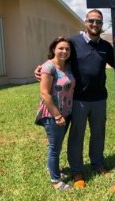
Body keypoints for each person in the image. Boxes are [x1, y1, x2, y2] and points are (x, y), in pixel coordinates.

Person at [35, 9, 115, 188]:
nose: (94, 24)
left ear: (101, 24)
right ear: (85, 22)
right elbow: (58, 59)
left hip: (100, 98)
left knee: (98, 134)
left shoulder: (106, 47)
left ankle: (98, 164)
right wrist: (41, 69)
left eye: (98, 22)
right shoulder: (73, 43)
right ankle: (77, 170)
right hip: (77, 100)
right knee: (77, 136)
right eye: (91, 20)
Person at [35, 36, 75, 190]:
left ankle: (53, 170)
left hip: (66, 112)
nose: (64, 51)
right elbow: (44, 93)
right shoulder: (48, 67)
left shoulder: (67, 67)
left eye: (67, 49)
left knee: (56, 145)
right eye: (61, 48)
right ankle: (55, 180)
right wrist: (57, 115)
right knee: (55, 147)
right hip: (53, 114)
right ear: (53, 49)